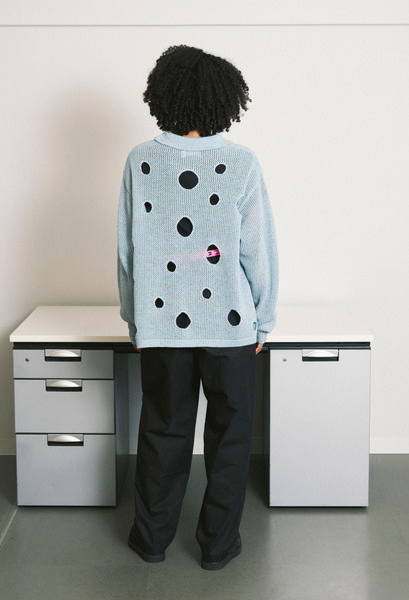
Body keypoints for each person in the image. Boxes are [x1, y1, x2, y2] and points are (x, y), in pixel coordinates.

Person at [117, 44, 279, 570]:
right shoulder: (241, 163)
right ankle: (217, 547)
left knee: (162, 432)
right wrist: (264, 318)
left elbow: (128, 252)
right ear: (225, 101)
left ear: (161, 96)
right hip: (230, 328)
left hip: (162, 327)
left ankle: (152, 541)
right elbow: (257, 250)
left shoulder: (141, 161)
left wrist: (136, 319)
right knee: (230, 439)